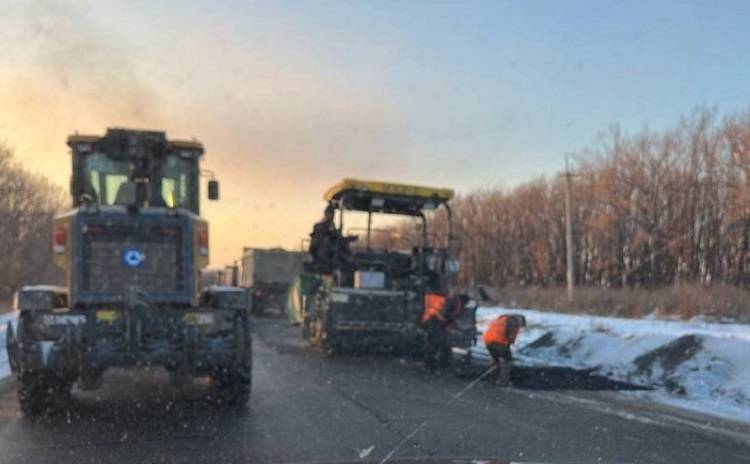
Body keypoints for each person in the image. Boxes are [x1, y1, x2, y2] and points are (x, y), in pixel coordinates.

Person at [308, 204, 356, 274]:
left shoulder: (332, 227)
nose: (332, 216)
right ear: (326, 214)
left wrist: (348, 239)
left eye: (333, 214)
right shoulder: (319, 226)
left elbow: (339, 239)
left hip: (333, 253)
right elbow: (324, 240)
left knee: (350, 257)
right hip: (324, 254)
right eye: (330, 213)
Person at [483, 314, 526, 386]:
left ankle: (491, 378)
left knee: (495, 359)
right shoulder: (515, 322)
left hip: (488, 340)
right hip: (498, 341)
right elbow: (511, 336)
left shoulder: (503, 319)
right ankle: (503, 381)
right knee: (507, 360)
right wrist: (509, 344)